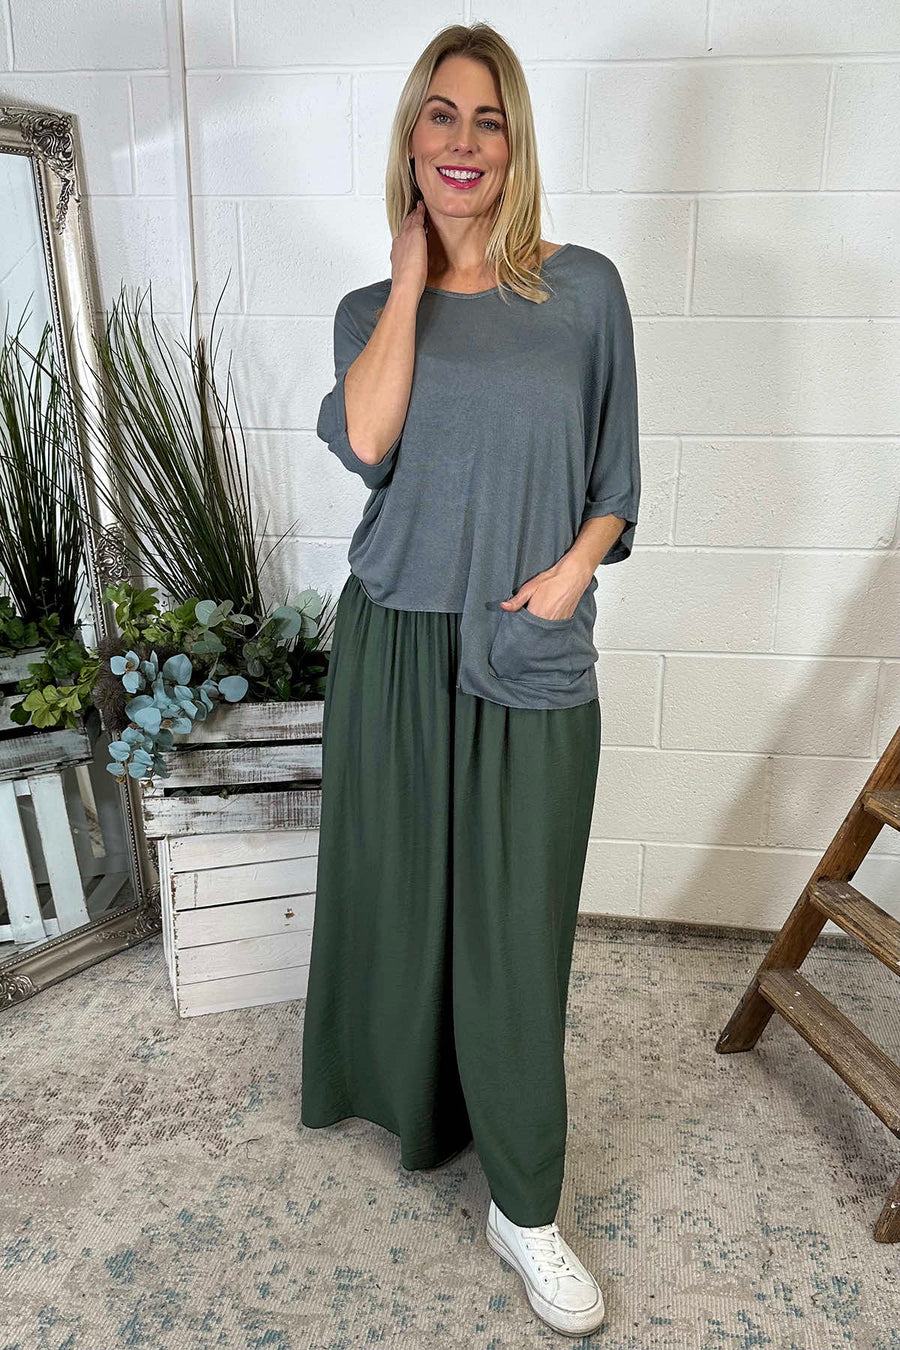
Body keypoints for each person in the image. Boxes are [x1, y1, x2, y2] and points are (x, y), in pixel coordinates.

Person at [300, 21, 640, 1339]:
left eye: (487, 118)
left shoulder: (583, 292)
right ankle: (421, 1106)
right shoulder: (365, 311)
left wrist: (568, 577)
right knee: (402, 899)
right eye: (439, 115)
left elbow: (615, 482)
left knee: (516, 930)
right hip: (394, 640)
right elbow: (368, 438)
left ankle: (526, 1205)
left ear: (515, 142)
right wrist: (407, 277)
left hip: (526, 642)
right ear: (410, 138)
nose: (463, 140)